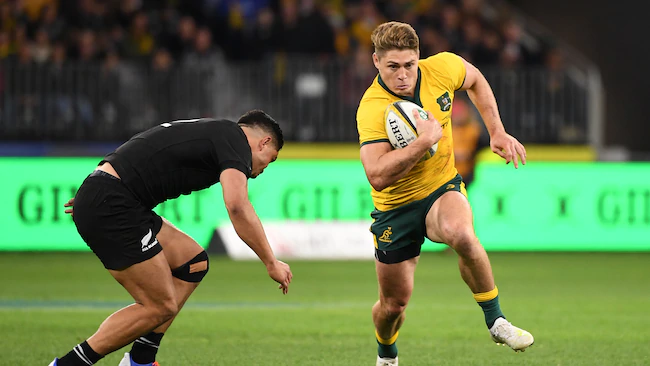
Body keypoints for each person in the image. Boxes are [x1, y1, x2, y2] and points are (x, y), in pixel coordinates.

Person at [49, 110, 293, 366]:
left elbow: (147, 146)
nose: (265, 168)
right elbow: (237, 206)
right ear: (263, 142)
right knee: (159, 306)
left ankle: (140, 361)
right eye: (270, 159)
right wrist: (270, 261)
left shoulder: (217, 133)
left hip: (113, 196)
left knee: (194, 262)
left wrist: (98, 190)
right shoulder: (235, 140)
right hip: (114, 202)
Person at [355, 22, 534, 366]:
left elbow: (476, 79)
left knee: (462, 234)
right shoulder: (372, 108)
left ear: (418, 57)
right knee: (393, 306)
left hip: (441, 186)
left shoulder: (443, 68)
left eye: (409, 65)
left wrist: (496, 131)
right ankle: (387, 354)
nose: (403, 75)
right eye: (393, 67)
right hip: (395, 208)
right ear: (376, 61)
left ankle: (496, 320)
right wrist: (424, 141)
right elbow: (377, 176)